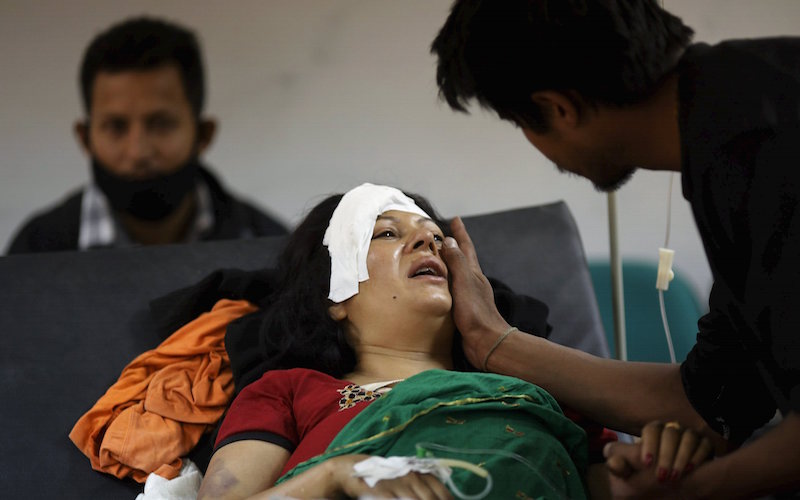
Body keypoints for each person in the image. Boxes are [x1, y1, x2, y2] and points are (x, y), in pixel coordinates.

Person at [431, 0, 800, 497]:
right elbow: (710, 399)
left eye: (522, 123)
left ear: (560, 108)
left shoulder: (765, 156)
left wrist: (683, 492)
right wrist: (491, 339)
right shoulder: (736, 112)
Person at [197, 183, 710, 500]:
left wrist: (656, 468)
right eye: (386, 234)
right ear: (336, 295)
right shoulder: (286, 392)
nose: (427, 241)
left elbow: (580, 483)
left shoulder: (534, 391)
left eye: (434, 235)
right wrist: (334, 475)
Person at [6, 17, 287, 254]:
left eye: (161, 124)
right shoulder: (35, 250)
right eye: (116, 127)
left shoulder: (272, 249)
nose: (138, 151)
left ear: (203, 134)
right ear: (84, 138)